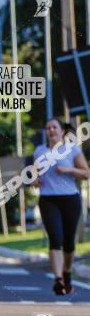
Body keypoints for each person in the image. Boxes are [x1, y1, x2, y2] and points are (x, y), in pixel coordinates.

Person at [32, 118, 90, 294]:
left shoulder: (72, 149)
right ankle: (58, 280)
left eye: (54, 127)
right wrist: (35, 180)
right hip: (48, 200)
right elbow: (35, 174)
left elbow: (86, 173)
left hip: (70, 200)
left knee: (69, 244)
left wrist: (69, 170)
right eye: (48, 128)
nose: (51, 130)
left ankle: (67, 272)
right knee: (55, 239)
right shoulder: (39, 151)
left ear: (62, 131)